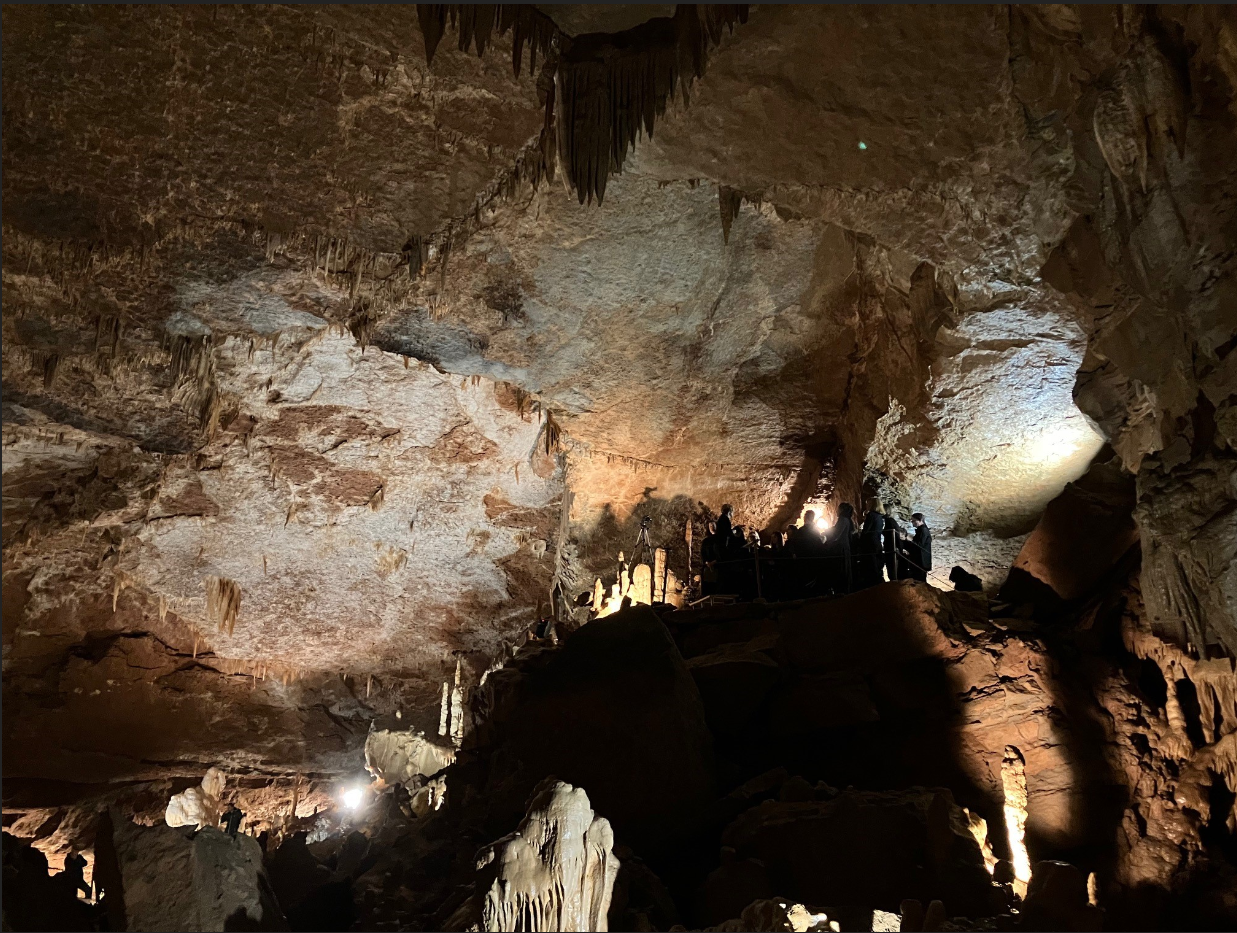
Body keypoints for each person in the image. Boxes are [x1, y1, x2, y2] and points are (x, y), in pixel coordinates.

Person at [826, 503, 855, 594]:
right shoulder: (847, 520)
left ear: (841, 510)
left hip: (840, 549)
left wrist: (827, 537)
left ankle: (841, 592)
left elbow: (836, 534)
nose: (836, 511)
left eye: (838, 509)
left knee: (841, 570)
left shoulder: (842, 520)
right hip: (845, 547)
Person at [856, 499, 885, 588]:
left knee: (870, 565)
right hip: (877, 543)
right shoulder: (879, 517)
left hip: (869, 544)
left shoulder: (871, 515)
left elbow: (866, 530)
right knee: (875, 565)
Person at [899, 513, 932, 581]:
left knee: (919, 580)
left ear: (920, 520)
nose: (912, 523)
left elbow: (918, 545)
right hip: (920, 561)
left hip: (920, 561)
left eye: (914, 521)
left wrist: (906, 540)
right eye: (911, 521)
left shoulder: (923, 530)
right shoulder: (921, 530)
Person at [882, 510, 905, 581]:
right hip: (891, 548)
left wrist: (900, 549)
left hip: (891, 549)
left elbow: (895, 536)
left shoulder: (889, 522)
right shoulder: (890, 521)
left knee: (892, 569)